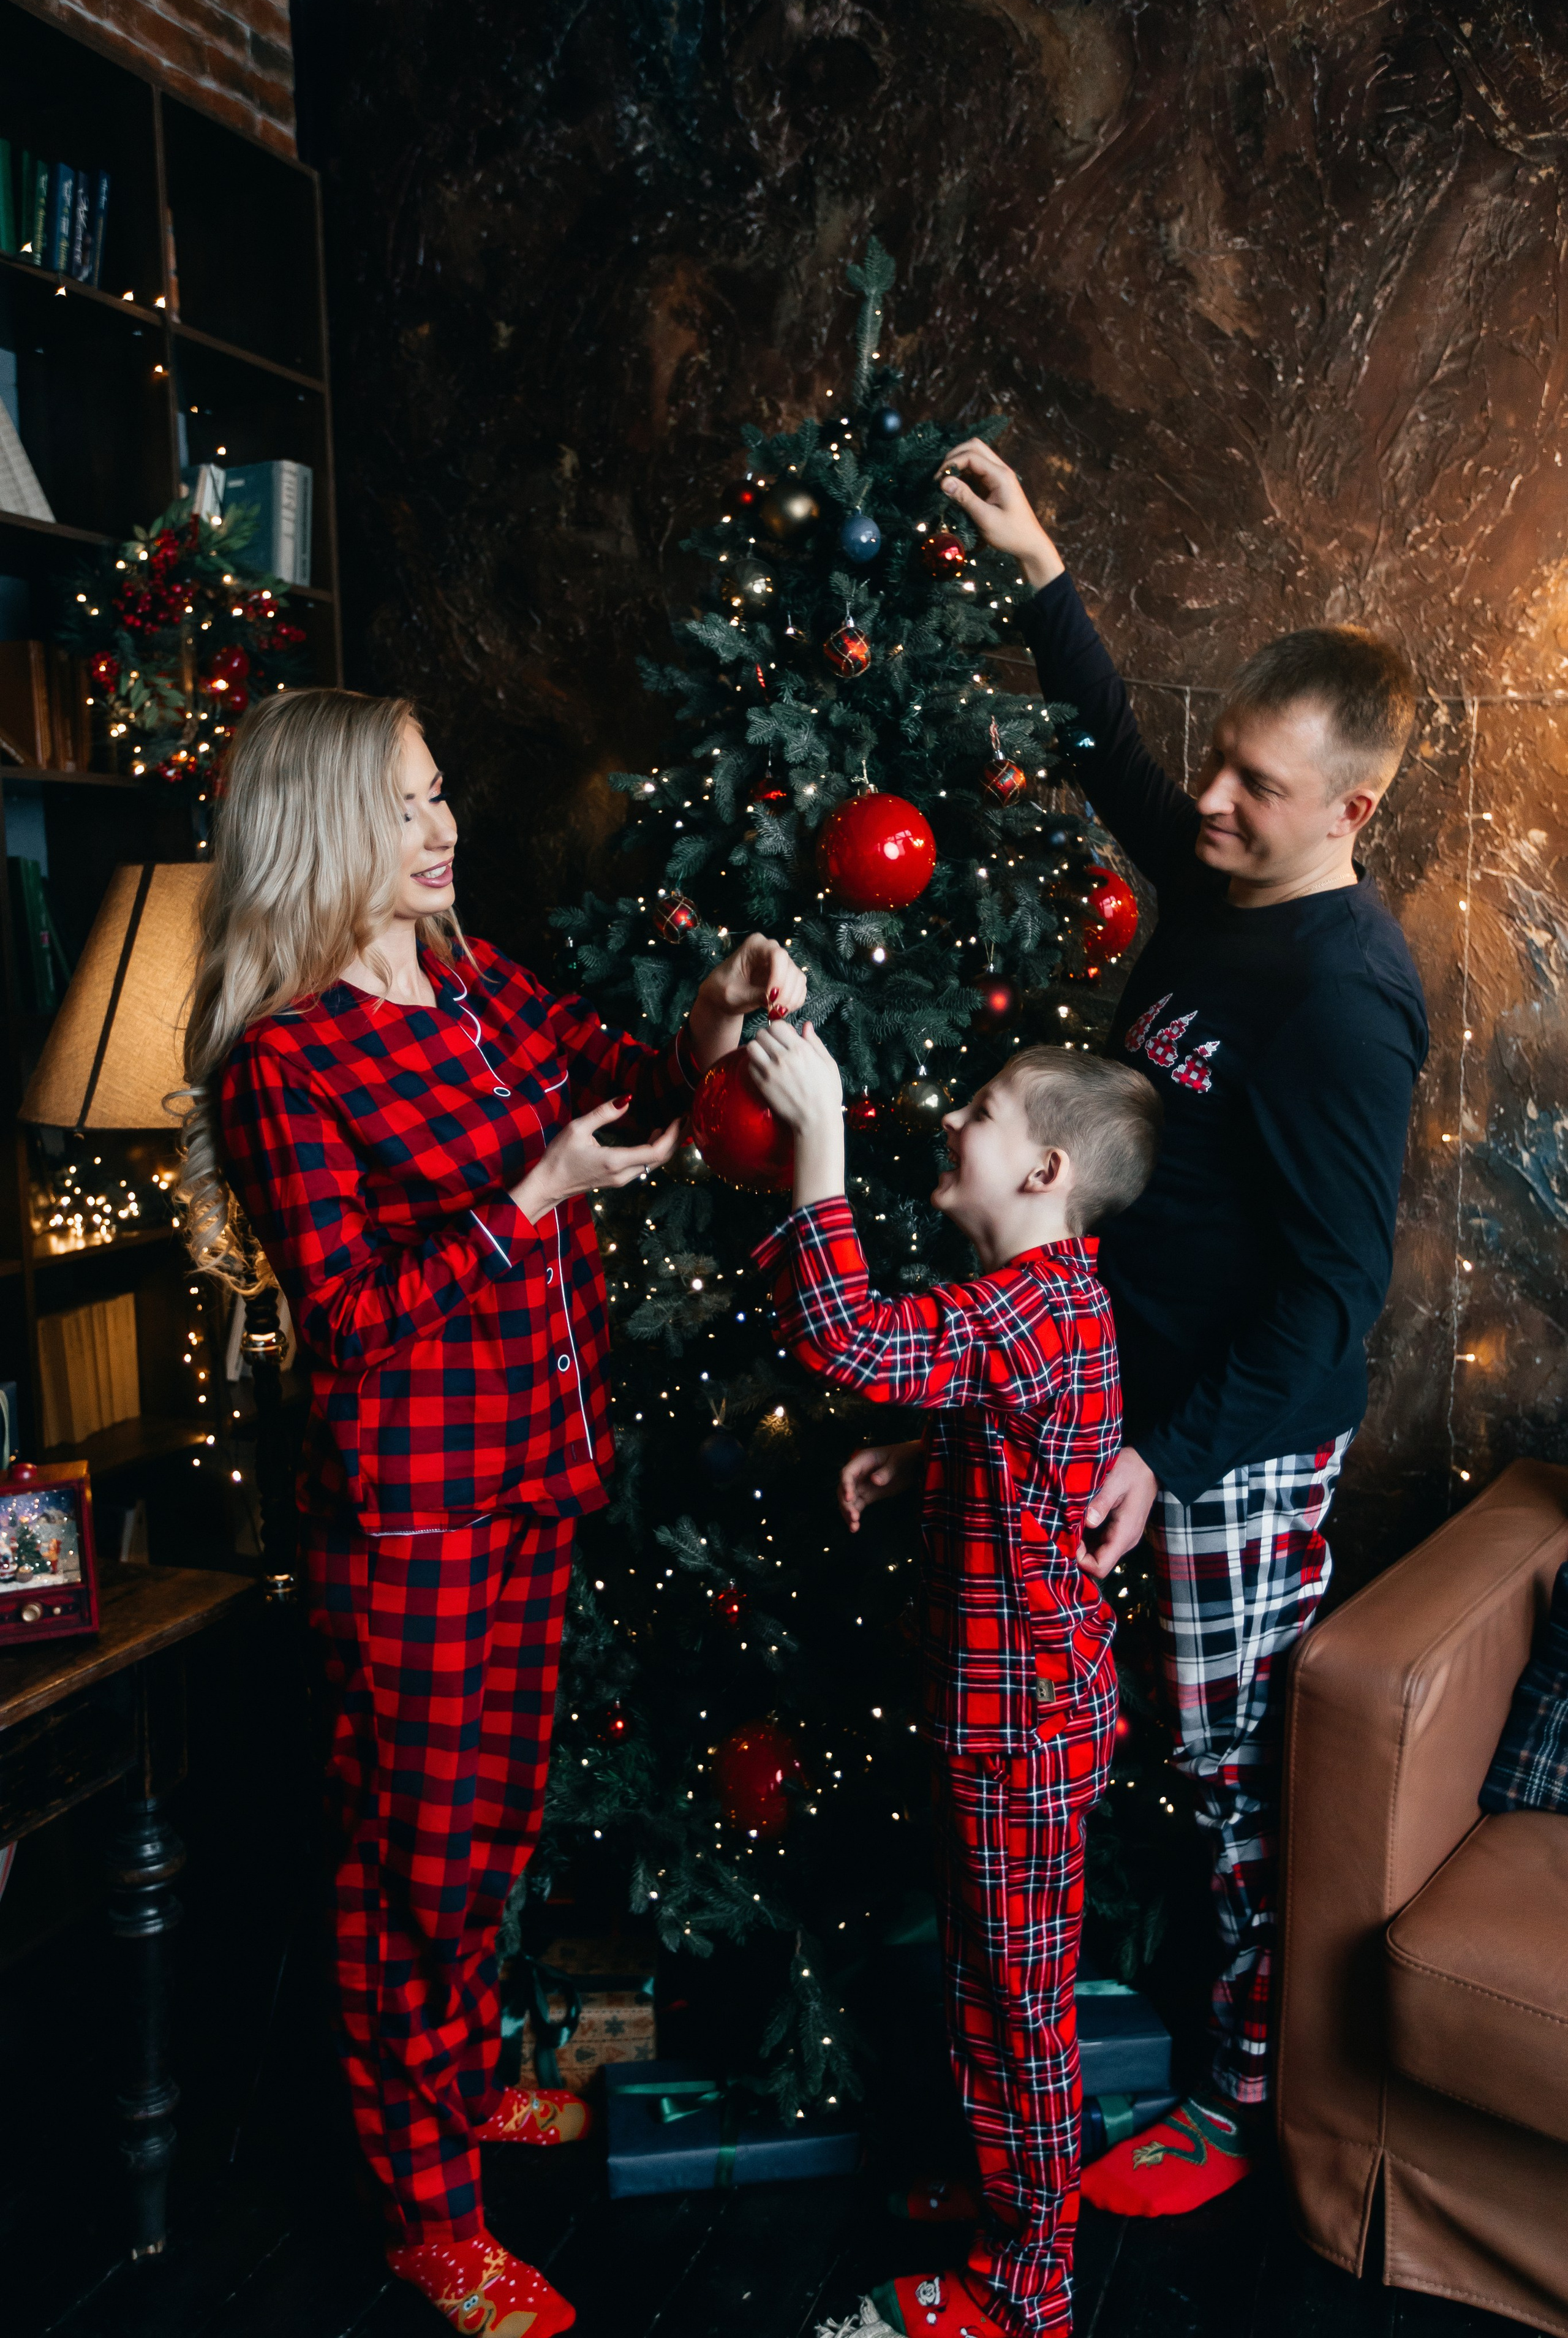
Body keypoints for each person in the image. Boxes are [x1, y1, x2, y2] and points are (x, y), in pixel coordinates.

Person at [176, 687, 806, 2337]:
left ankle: (448, 2100)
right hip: (414, 1525)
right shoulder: (286, 1063)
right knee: (416, 1873)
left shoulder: (465, 979)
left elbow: (625, 1075)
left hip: (534, 1484)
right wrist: (528, 1200)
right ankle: (429, 2224)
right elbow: (356, 1323)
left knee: (496, 1840)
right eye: (404, 805)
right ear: (325, 831)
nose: (443, 825)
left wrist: (714, 1021)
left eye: (441, 791)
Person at [935, 437, 1428, 2215]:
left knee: (1229, 1783)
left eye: (1260, 788)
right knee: (1116, 1741)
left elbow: (1333, 1299)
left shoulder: (1346, 1003)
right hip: (1117, 1401)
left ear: (1349, 814)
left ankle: (1238, 2095)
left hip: (1232, 1441)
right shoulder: (1219, 885)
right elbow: (1121, 770)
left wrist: (1171, 1450)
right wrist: (1043, 571)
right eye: (1222, 759)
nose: (1212, 802)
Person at [747, 1020, 1161, 2338]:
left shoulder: (1022, 1309)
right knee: (999, 1994)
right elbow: (1029, 1448)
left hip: (1017, 1732)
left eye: (978, 1110)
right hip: (1018, 1716)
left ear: (1040, 1171)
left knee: (1008, 2012)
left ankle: (1023, 2288)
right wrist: (920, 1463)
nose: (950, 1118)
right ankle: (1012, 2205)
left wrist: (815, 1142)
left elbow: (851, 1342)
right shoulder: (1053, 1298)